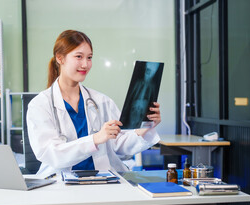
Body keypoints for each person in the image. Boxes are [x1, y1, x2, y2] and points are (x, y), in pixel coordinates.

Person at [26, 30, 162, 176]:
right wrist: (95, 139)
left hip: (102, 180)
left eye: (89, 57)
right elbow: (50, 153)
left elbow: (119, 144)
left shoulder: (101, 101)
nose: (85, 64)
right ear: (60, 58)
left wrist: (144, 129)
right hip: (60, 184)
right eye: (79, 56)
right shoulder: (40, 105)